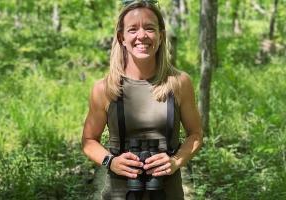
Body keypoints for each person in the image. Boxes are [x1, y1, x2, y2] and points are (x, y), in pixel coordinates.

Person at [82, 1, 203, 199]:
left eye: (149, 28)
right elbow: (88, 141)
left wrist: (175, 161)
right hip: (120, 193)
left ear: (161, 35)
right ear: (121, 37)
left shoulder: (179, 83)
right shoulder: (104, 88)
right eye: (132, 29)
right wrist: (110, 161)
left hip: (168, 192)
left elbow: (196, 134)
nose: (142, 36)